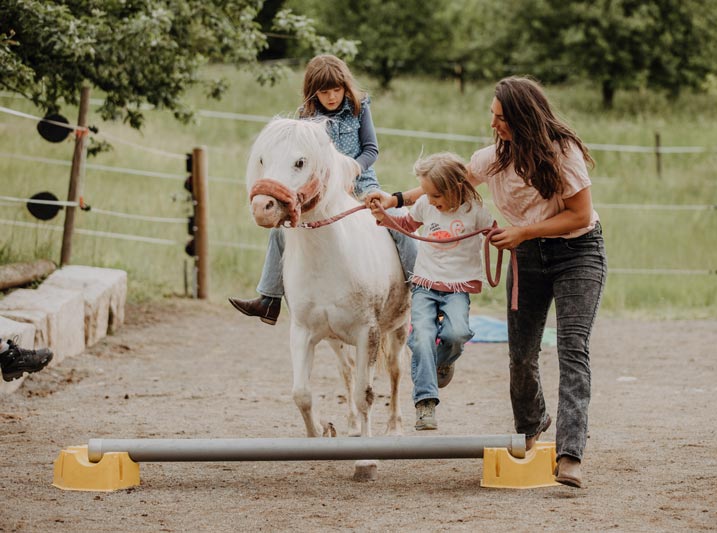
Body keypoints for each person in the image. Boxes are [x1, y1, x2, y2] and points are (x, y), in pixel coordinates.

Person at [366, 77, 606, 488]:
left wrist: (523, 232)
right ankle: (531, 428)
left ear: (522, 119)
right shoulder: (491, 159)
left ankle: (570, 453)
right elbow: (445, 186)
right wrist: (395, 200)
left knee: (571, 347)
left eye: (500, 118)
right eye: (492, 116)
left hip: (577, 252)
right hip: (526, 254)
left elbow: (579, 216)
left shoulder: (563, 154)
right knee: (521, 355)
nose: (493, 124)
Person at [229, 54, 416, 324]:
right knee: (282, 231)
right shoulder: (307, 119)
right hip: (321, 189)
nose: (331, 97)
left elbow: (371, 149)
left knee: (397, 220)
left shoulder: (359, 107)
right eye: (324, 92)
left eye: (336, 90)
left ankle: (419, 288)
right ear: (314, 92)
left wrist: (352, 168)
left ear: (345, 88)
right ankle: (269, 299)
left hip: (360, 182)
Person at [368, 152, 495, 431]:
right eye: (427, 194)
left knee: (456, 333)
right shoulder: (426, 205)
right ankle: (425, 401)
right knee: (422, 337)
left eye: (436, 195)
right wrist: (385, 216)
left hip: (457, 288)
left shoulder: (475, 211)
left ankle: (442, 363)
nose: (430, 200)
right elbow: (407, 226)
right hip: (425, 284)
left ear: (456, 188)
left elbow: (493, 232)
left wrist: (506, 239)